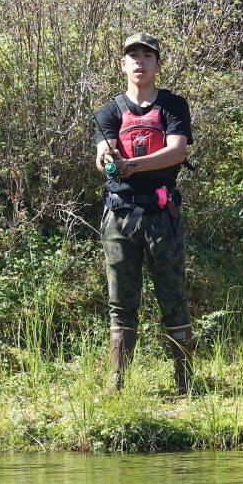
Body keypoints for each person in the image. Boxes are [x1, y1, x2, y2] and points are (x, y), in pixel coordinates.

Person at [94, 32, 194, 394]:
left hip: (162, 213)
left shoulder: (173, 106)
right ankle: (117, 386)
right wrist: (111, 160)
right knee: (121, 302)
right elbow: (101, 155)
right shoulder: (109, 110)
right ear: (123, 64)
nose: (139, 61)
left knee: (173, 297)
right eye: (132, 55)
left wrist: (134, 164)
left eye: (146, 55)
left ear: (157, 63)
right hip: (119, 215)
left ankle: (185, 384)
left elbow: (177, 151)